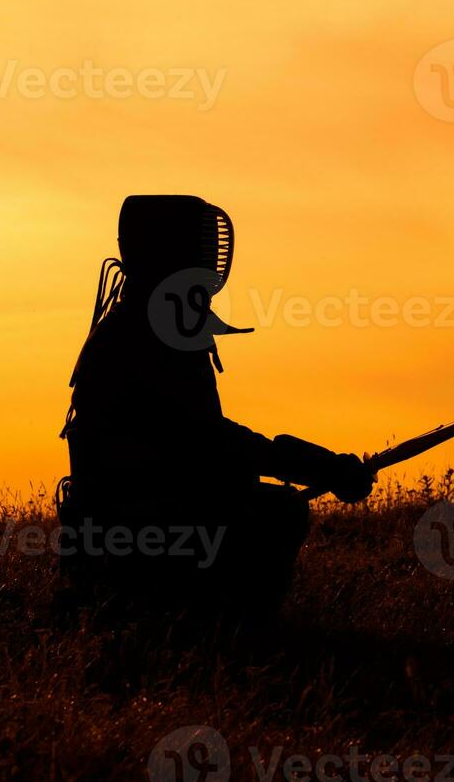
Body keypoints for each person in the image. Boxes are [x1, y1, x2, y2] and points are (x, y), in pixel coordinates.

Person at [56, 195, 372, 626]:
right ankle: (224, 628)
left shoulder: (137, 323)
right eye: (199, 252)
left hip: (124, 521)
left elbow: (197, 446)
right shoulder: (151, 335)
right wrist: (320, 467)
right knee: (279, 511)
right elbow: (208, 441)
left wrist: (316, 467)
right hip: (137, 524)